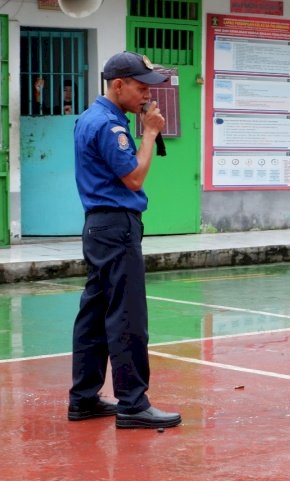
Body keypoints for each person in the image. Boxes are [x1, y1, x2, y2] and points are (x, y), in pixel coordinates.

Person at [69, 51, 181, 429]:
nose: (145, 95)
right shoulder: (111, 127)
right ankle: (133, 404)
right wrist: (148, 133)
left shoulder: (91, 117)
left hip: (99, 227)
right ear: (118, 85)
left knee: (95, 314)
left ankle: (83, 398)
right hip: (117, 226)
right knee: (127, 315)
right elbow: (133, 177)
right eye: (139, 87)